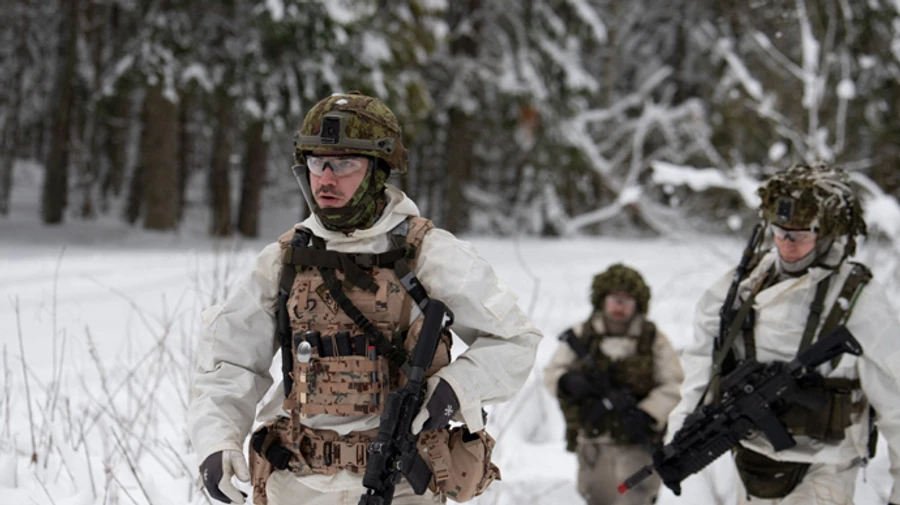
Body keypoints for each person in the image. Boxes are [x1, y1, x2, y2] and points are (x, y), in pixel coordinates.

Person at [187, 91, 542, 505]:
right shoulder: (285, 259)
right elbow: (229, 359)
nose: (326, 178)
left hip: (401, 483)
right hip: (297, 483)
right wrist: (217, 439)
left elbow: (515, 340)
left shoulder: (428, 254)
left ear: (377, 170)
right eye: (317, 162)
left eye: (344, 164)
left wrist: (455, 388)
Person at [667, 162, 900, 505]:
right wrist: (679, 439)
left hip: (824, 470)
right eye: (780, 232)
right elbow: (703, 364)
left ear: (827, 233)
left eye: (800, 235)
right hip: (751, 465)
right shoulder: (742, 285)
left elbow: (895, 400)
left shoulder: (857, 300)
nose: (787, 245)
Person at [544, 264, 684, 505]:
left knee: (637, 498)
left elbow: (673, 384)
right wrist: (567, 382)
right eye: (614, 300)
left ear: (638, 303)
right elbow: (552, 373)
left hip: (636, 444)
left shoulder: (652, 339)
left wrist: (648, 413)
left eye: (627, 301)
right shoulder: (582, 335)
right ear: (602, 300)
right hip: (593, 441)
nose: (620, 307)